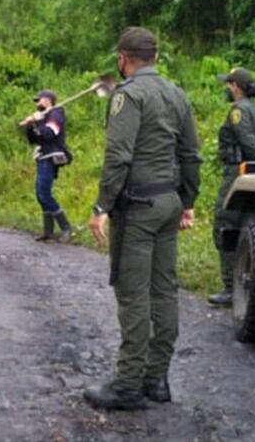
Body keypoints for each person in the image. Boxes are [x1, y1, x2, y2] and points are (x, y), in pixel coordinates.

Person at [85, 27, 202, 410]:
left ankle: (128, 384)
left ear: (123, 58)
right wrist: (186, 200)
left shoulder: (128, 95)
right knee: (164, 290)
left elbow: (118, 155)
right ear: (155, 56)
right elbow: (190, 154)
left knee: (133, 294)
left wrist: (101, 206)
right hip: (168, 201)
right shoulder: (176, 94)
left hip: (137, 207)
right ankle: (157, 379)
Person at [208, 68, 255, 306]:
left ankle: (229, 286)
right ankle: (245, 285)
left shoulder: (238, 110)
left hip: (238, 170)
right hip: (252, 170)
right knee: (247, 225)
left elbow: (248, 143)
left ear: (235, 86)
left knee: (225, 225)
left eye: (228, 84)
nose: (226, 88)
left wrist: (254, 165)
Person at [24, 89, 73, 243]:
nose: (37, 103)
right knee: (40, 194)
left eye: (39, 100)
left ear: (47, 100)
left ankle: (66, 228)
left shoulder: (55, 114)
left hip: (51, 157)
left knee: (44, 193)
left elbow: (50, 133)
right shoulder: (43, 116)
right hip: (42, 156)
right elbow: (34, 139)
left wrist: (37, 121)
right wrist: (30, 127)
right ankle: (48, 231)